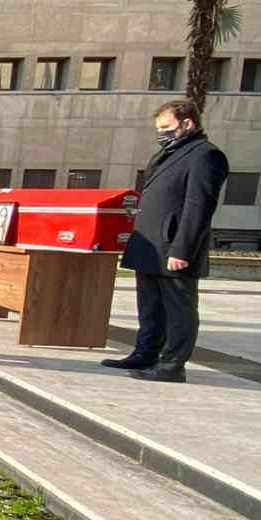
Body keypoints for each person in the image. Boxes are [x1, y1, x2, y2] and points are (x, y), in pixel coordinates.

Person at [104, 99, 229, 383]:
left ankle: (172, 365)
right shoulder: (169, 154)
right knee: (149, 306)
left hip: (174, 247)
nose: (162, 134)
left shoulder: (205, 156)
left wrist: (182, 249)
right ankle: (145, 353)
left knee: (178, 310)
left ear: (188, 123)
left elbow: (199, 207)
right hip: (151, 245)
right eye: (158, 128)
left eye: (167, 127)